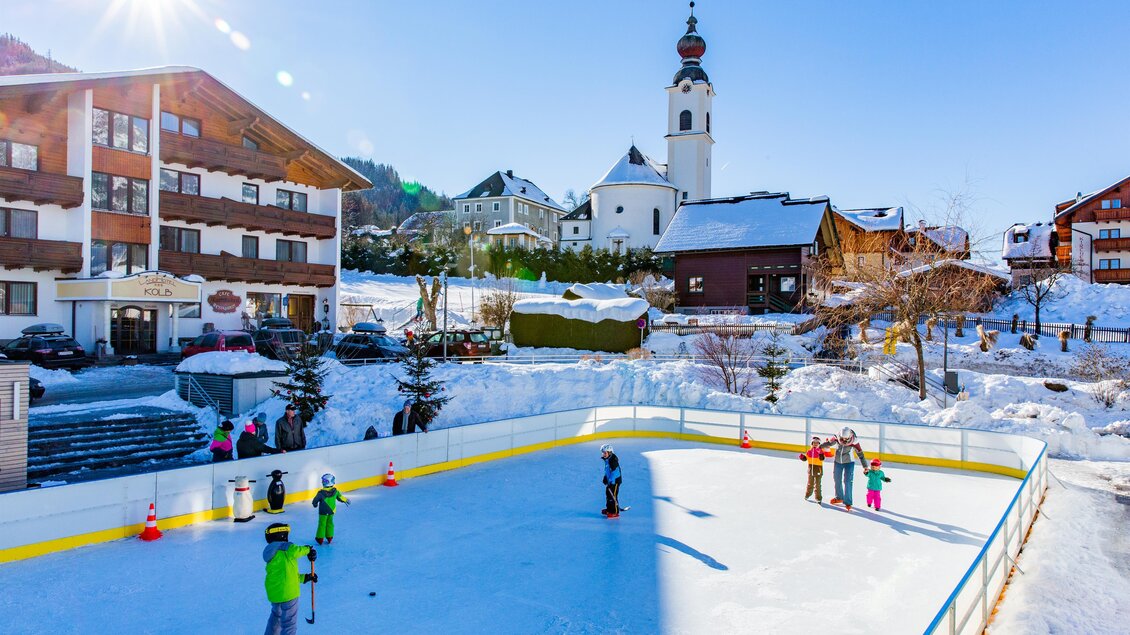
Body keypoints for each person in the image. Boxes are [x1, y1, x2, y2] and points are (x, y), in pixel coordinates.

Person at [263, 523, 317, 635]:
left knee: (276, 617)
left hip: (275, 594)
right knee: (289, 623)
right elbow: (296, 550)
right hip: (289, 594)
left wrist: (306, 577)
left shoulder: (271, 552)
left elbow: (288, 576)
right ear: (282, 536)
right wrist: (308, 549)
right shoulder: (286, 548)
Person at [821, 427, 868, 511]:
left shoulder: (854, 441)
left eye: (846, 438)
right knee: (837, 479)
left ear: (850, 437)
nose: (844, 440)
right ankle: (839, 497)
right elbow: (829, 443)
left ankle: (848, 502)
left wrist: (865, 467)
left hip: (849, 463)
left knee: (848, 481)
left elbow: (860, 454)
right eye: (843, 438)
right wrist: (818, 447)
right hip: (838, 462)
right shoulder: (837, 437)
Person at [311, 473, 350, 545]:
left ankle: (320, 538)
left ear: (324, 482)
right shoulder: (336, 491)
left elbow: (315, 500)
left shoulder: (321, 493)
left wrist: (315, 504)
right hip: (332, 511)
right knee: (330, 523)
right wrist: (345, 500)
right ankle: (329, 537)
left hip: (323, 512)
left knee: (322, 524)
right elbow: (340, 497)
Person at [798, 435, 826, 503]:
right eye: (814, 443)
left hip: (818, 469)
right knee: (810, 483)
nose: (815, 444)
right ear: (812, 443)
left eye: (817, 443)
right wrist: (802, 457)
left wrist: (820, 453)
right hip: (811, 469)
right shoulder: (809, 451)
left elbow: (822, 458)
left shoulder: (821, 451)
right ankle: (807, 495)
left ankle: (818, 498)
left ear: (819, 444)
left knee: (818, 484)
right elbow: (806, 458)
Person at [600, 444, 622, 518]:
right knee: (608, 495)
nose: (603, 454)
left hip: (615, 482)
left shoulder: (613, 460)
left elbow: (615, 472)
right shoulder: (607, 459)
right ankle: (609, 509)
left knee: (613, 496)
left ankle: (615, 512)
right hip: (610, 481)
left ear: (610, 452)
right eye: (603, 452)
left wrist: (611, 482)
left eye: (605, 452)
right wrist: (605, 478)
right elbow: (608, 471)